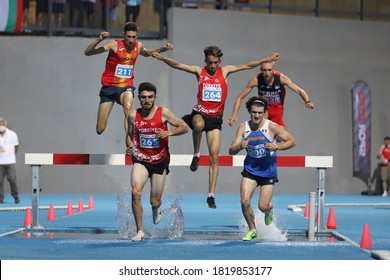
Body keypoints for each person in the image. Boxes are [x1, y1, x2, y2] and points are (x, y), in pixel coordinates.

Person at [152, 47, 279, 208]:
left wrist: (265, 58)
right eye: (210, 62)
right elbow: (178, 65)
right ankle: (196, 153)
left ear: (219, 62)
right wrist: (163, 59)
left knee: (214, 155)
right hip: (200, 113)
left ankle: (211, 195)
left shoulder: (224, 71)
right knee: (198, 125)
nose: (212, 65)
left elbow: (247, 65)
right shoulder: (200, 71)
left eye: (215, 63)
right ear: (205, 61)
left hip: (215, 119)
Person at [84, 22, 173, 153]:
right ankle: (126, 139)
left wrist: (162, 48)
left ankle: (130, 143)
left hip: (126, 86)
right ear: (123, 35)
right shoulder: (114, 45)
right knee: (100, 129)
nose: (131, 40)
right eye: (128, 37)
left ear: (137, 36)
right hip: (109, 87)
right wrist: (99, 40)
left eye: (133, 37)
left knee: (128, 107)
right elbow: (88, 52)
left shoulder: (139, 46)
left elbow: (147, 53)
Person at [127, 82, 189, 241]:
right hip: (141, 159)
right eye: (143, 97)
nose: (147, 100)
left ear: (155, 97)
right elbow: (129, 135)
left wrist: (168, 132)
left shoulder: (164, 113)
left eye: (150, 97)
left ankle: (156, 207)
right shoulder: (133, 115)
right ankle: (140, 231)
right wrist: (130, 146)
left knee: (154, 200)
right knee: (135, 192)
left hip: (159, 160)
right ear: (139, 98)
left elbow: (184, 127)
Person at [228, 97, 296, 241]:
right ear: (250, 112)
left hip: (267, 173)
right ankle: (252, 229)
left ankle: (268, 211)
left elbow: (292, 141)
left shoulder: (271, 127)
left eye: (260, 112)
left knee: (262, 206)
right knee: (244, 201)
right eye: (254, 112)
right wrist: (240, 146)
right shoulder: (243, 127)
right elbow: (231, 150)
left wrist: (277, 146)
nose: (256, 115)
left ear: (264, 112)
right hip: (250, 171)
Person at [228, 61, 314, 129]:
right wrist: (234, 114)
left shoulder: (281, 78)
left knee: (280, 136)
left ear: (274, 69)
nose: (267, 73)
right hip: (264, 111)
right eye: (264, 70)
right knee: (262, 132)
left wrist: (307, 101)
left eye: (269, 70)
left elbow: (299, 90)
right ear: (261, 70)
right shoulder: (256, 80)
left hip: (277, 111)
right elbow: (240, 97)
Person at [0, 118, 20, 204]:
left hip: (10, 161)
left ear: (5, 125)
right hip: (0, 162)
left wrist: (12, 155)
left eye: (2, 124)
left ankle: (16, 197)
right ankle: (0, 198)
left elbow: (16, 146)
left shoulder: (12, 134)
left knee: (12, 180)